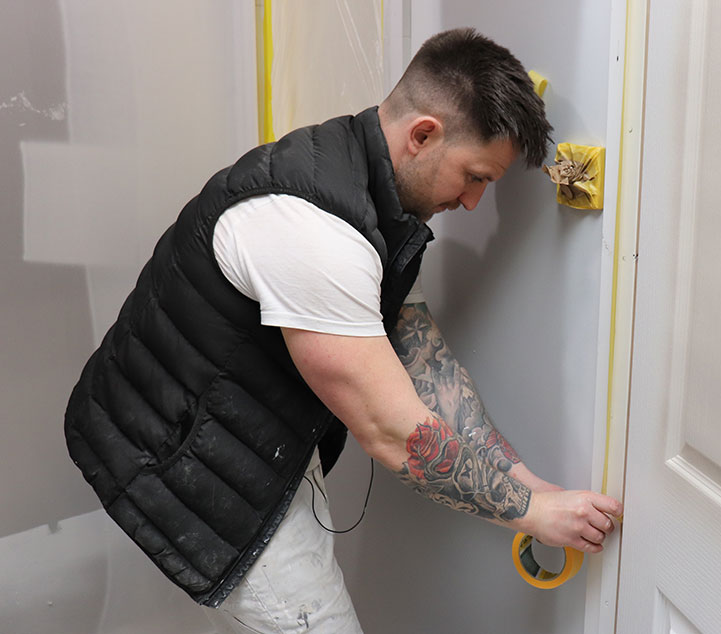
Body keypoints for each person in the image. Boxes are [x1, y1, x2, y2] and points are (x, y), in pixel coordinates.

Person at [63, 27, 623, 633]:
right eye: (475, 176)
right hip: (174, 450)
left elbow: (425, 365)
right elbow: (392, 432)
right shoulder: (315, 233)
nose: (472, 203)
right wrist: (532, 515)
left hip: (244, 424)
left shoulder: (374, 198)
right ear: (423, 135)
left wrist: (533, 488)